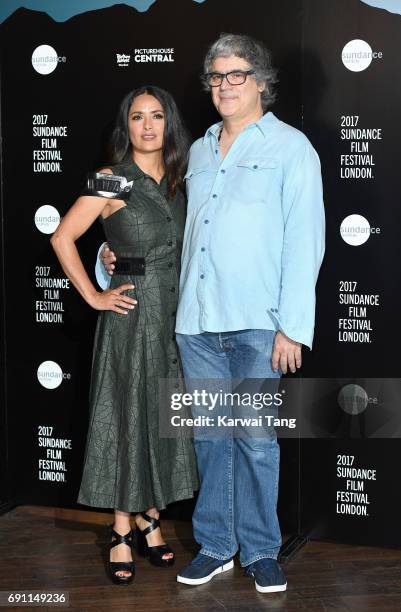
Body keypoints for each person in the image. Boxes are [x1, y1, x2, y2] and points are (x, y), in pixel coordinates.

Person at [103, 33, 325, 593]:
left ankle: (261, 550)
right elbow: (161, 231)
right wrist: (111, 260)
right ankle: (217, 545)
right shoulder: (195, 152)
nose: (225, 86)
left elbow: (306, 241)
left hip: (257, 322)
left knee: (253, 440)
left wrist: (292, 327)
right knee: (209, 439)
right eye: (216, 77)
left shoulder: (291, 148)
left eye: (236, 76)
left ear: (260, 82)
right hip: (196, 324)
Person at [50, 85, 198, 585]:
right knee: (125, 417)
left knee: (163, 416)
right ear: (126, 126)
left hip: (178, 316)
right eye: (138, 117)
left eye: (157, 116)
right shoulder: (111, 179)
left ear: (169, 123)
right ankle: (119, 528)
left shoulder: (184, 180)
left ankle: (151, 522)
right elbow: (62, 235)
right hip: (130, 318)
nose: (148, 126)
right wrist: (95, 293)